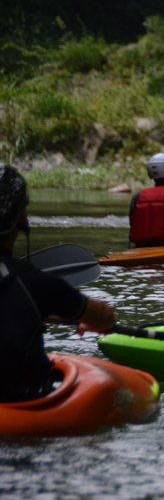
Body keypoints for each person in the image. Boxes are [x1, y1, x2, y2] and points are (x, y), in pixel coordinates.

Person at [0, 166, 117, 402]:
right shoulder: (38, 285)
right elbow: (104, 317)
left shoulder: (32, 290)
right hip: (19, 404)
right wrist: (82, 319)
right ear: (22, 218)